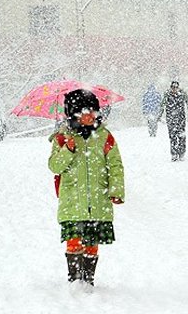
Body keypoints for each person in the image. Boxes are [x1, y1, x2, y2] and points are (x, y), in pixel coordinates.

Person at [48, 89, 125, 288]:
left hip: (98, 200)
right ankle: (75, 280)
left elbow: (115, 164)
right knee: (74, 240)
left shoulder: (104, 136)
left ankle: (88, 279)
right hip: (72, 201)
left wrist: (116, 190)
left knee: (92, 241)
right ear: (73, 114)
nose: (90, 116)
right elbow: (54, 166)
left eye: (93, 111)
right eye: (84, 112)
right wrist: (68, 149)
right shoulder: (62, 138)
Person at [159, 81, 188, 161]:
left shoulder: (182, 94)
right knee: (172, 136)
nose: (174, 89)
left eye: (176, 87)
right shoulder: (167, 94)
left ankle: (181, 153)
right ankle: (174, 153)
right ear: (170, 87)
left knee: (181, 135)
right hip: (170, 118)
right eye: (173, 87)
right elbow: (162, 105)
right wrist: (159, 115)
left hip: (181, 118)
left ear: (178, 87)